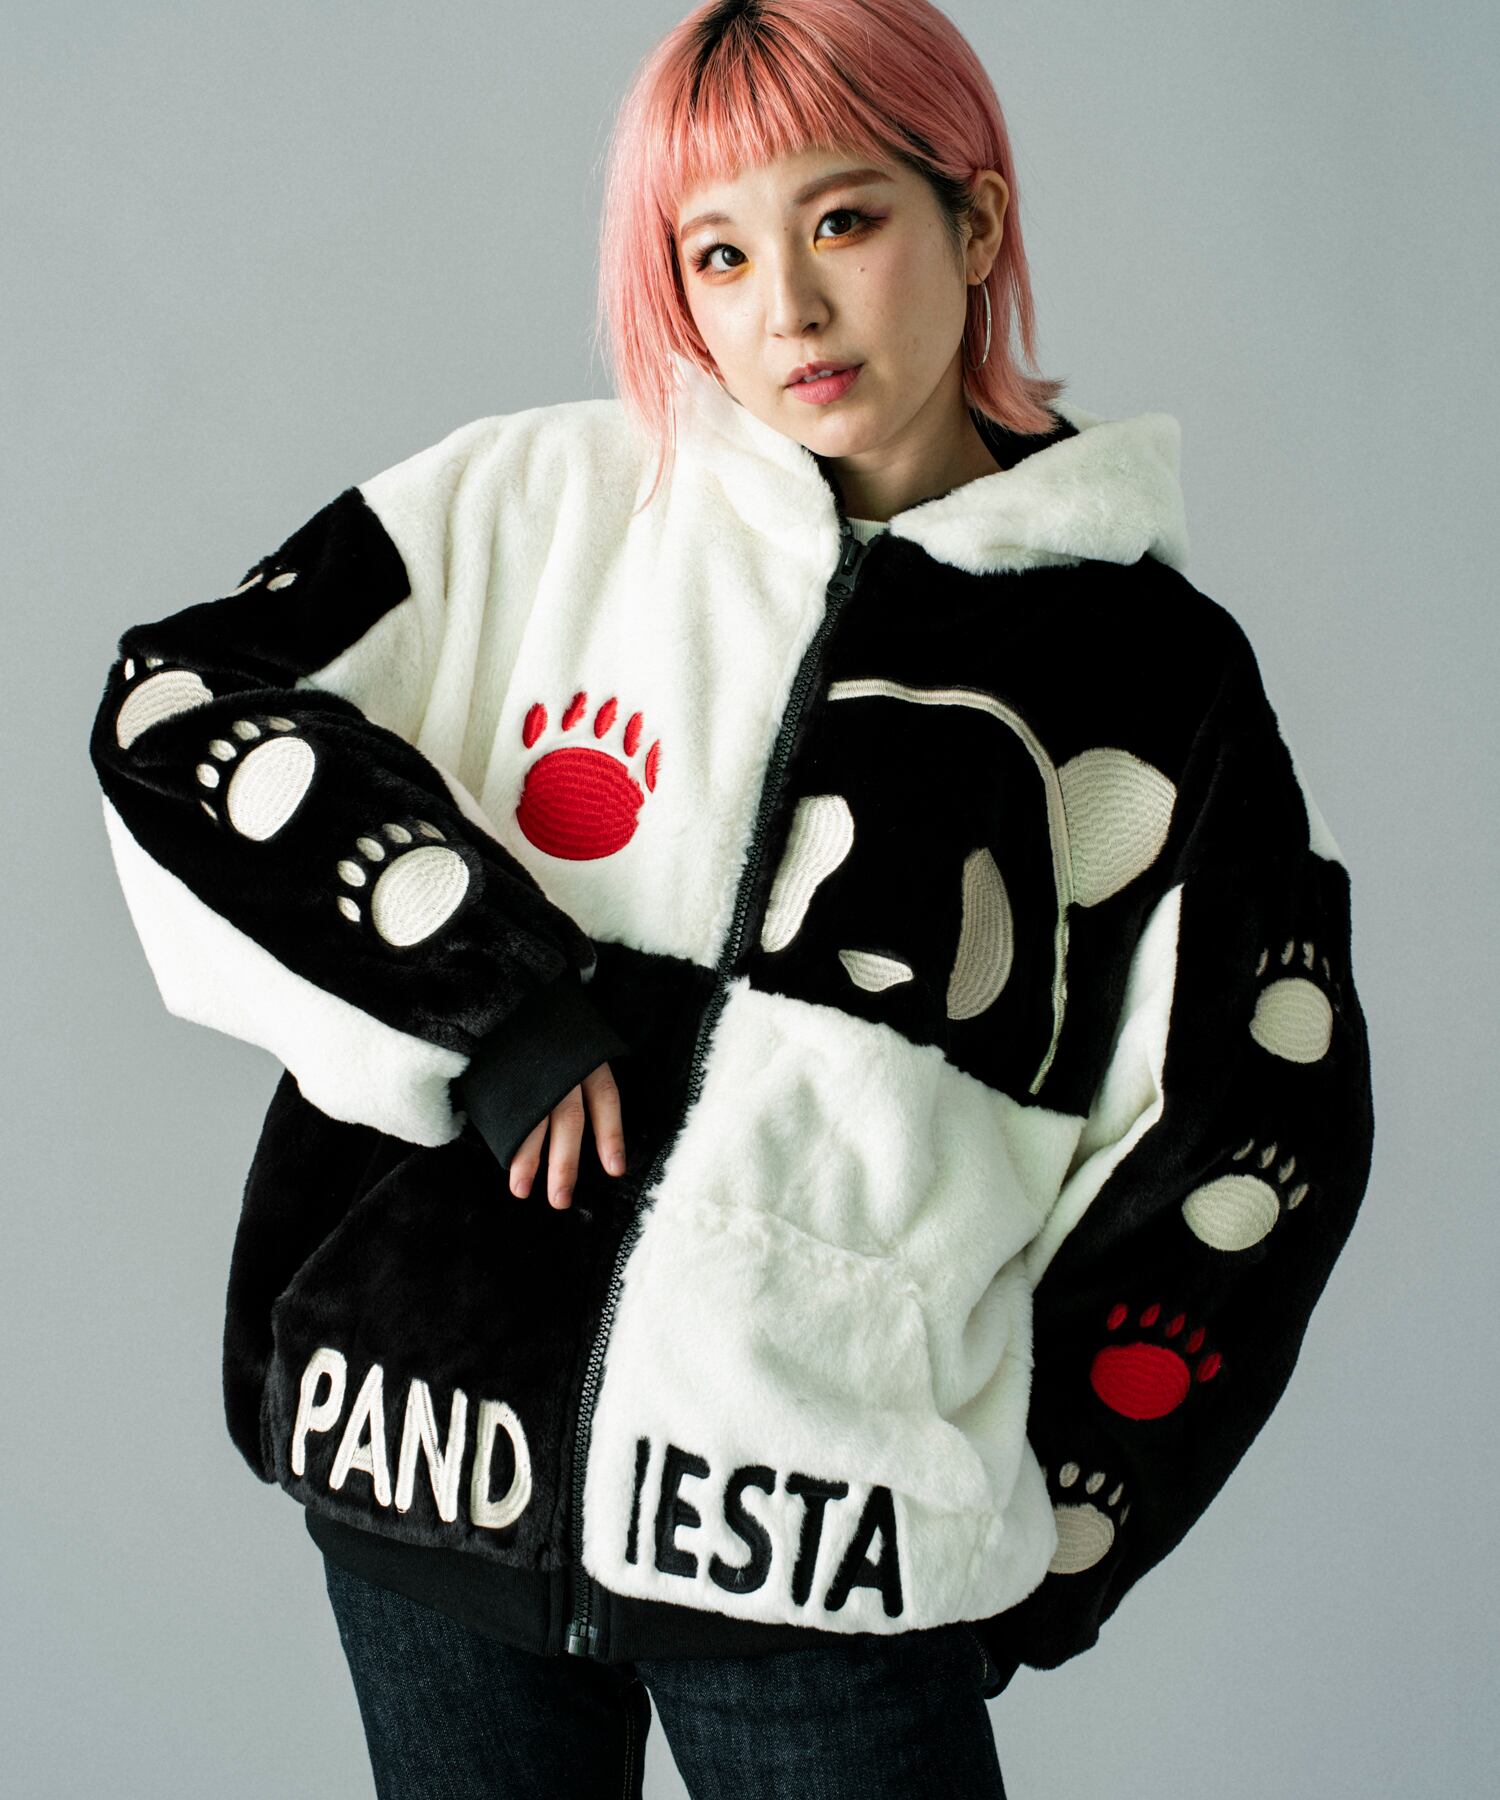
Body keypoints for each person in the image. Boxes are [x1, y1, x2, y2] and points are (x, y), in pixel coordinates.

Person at [86, 0, 1376, 1794]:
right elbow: (181, 710)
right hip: (431, 1465)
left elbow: (1254, 1118)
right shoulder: (537, 503)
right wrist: (487, 1000)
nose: (790, 308)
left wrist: (1042, 1525)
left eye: (844, 219)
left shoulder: (1152, 673)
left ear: (976, 223)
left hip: (821, 1538)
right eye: (719, 252)